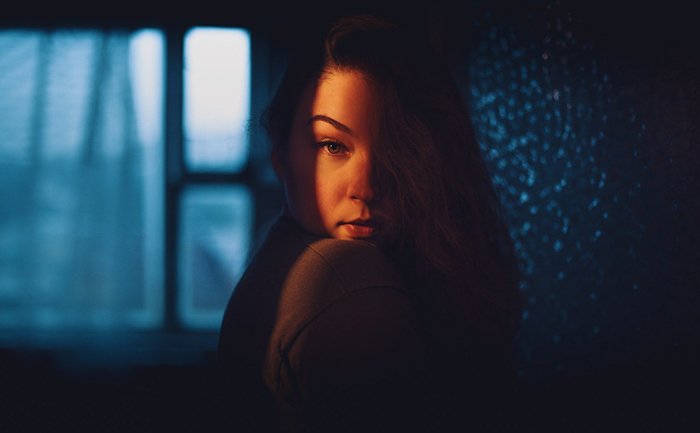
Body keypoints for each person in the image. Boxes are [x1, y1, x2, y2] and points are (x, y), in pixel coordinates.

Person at [218, 12, 523, 433]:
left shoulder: (284, 255)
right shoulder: (348, 281)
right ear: (280, 153)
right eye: (332, 145)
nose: (367, 185)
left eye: (398, 149)